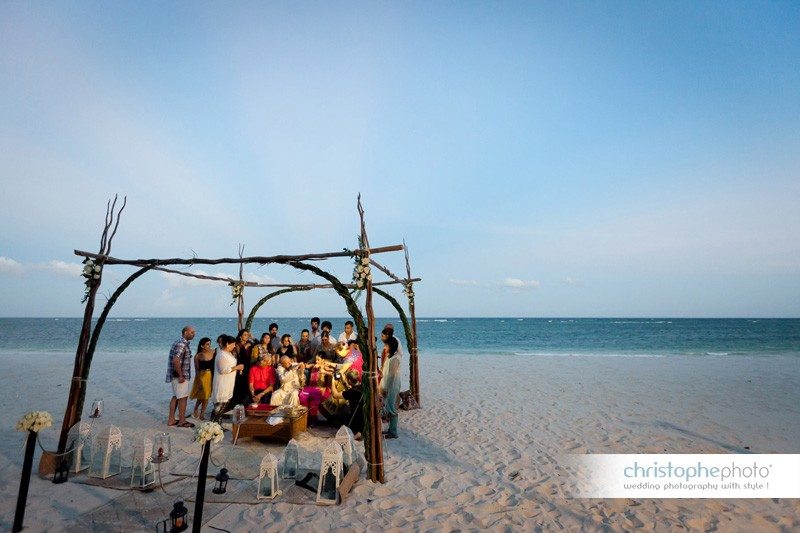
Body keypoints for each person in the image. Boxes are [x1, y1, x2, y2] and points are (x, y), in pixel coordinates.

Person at [166, 326, 196, 428]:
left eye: (194, 332)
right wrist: (181, 375)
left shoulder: (181, 343)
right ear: (185, 332)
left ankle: (171, 420)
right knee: (182, 398)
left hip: (177, 375)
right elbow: (176, 360)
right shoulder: (182, 344)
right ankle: (182, 421)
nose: (194, 334)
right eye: (192, 332)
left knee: (176, 397)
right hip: (179, 375)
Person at [211, 335, 244, 421]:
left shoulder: (229, 353)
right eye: (232, 344)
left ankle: (218, 425)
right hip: (222, 383)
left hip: (228, 382)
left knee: (224, 406)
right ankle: (214, 425)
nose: (234, 346)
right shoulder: (221, 355)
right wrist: (237, 367)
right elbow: (222, 370)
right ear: (227, 344)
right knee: (219, 407)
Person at [379, 336, 401, 439]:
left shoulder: (395, 359)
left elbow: (392, 376)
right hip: (388, 386)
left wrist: (386, 389)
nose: (384, 347)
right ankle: (391, 430)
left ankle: (393, 432)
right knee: (389, 407)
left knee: (392, 409)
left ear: (390, 346)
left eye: (386, 345)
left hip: (391, 388)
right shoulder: (390, 357)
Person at [189, 337, 215, 420]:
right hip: (202, 376)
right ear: (202, 345)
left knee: (206, 396)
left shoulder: (213, 352)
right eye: (207, 344)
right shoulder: (197, 356)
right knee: (202, 396)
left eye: (210, 344)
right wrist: (199, 380)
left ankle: (202, 414)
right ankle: (196, 408)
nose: (209, 346)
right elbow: (197, 370)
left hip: (211, 375)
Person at [230, 329, 252, 406]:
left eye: (247, 335)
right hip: (240, 367)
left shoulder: (250, 344)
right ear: (240, 336)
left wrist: (252, 338)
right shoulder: (237, 345)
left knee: (247, 385)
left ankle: (245, 405)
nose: (247, 336)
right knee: (239, 385)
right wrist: (245, 348)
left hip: (248, 367)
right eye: (245, 335)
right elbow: (235, 357)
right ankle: (236, 404)